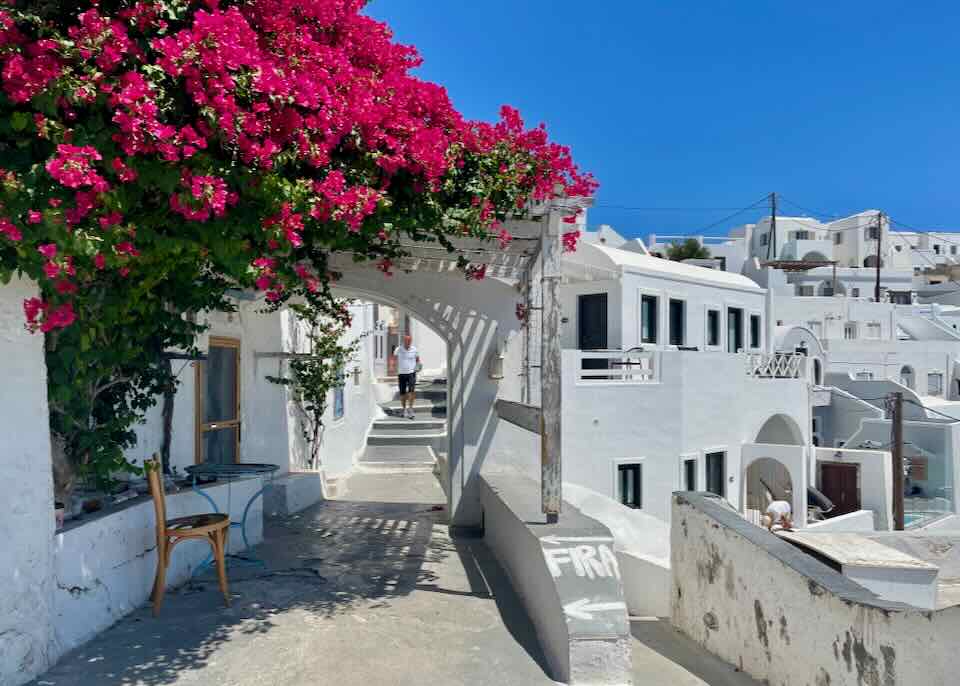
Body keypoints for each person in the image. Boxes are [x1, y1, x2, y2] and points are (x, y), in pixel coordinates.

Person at [394, 334, 421, 419]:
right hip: (401, 373)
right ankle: (404, 409)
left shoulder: (414, 349)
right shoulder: (398, 349)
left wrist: (418, 367)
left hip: (411, 373)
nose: (408, 342)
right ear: (404, 341)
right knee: (402, 393)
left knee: (411, 391)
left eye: (409, 340)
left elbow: (417, 360)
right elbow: (394, 359)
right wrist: (394, 368)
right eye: (406, 340)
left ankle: (410, 409)